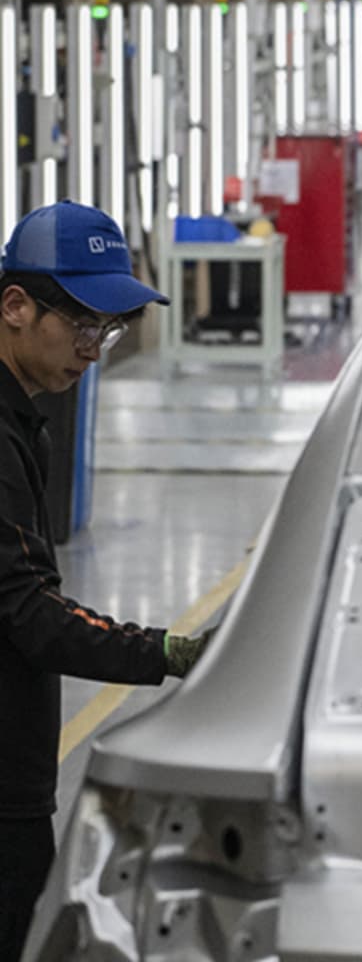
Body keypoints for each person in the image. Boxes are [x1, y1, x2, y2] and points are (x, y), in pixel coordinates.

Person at [0, 202, 211, 960]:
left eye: (108, 331)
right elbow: (28, 611)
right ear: (16, 307)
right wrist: (169, 653)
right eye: (83, 326)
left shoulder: (22, 417)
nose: (94, 352)